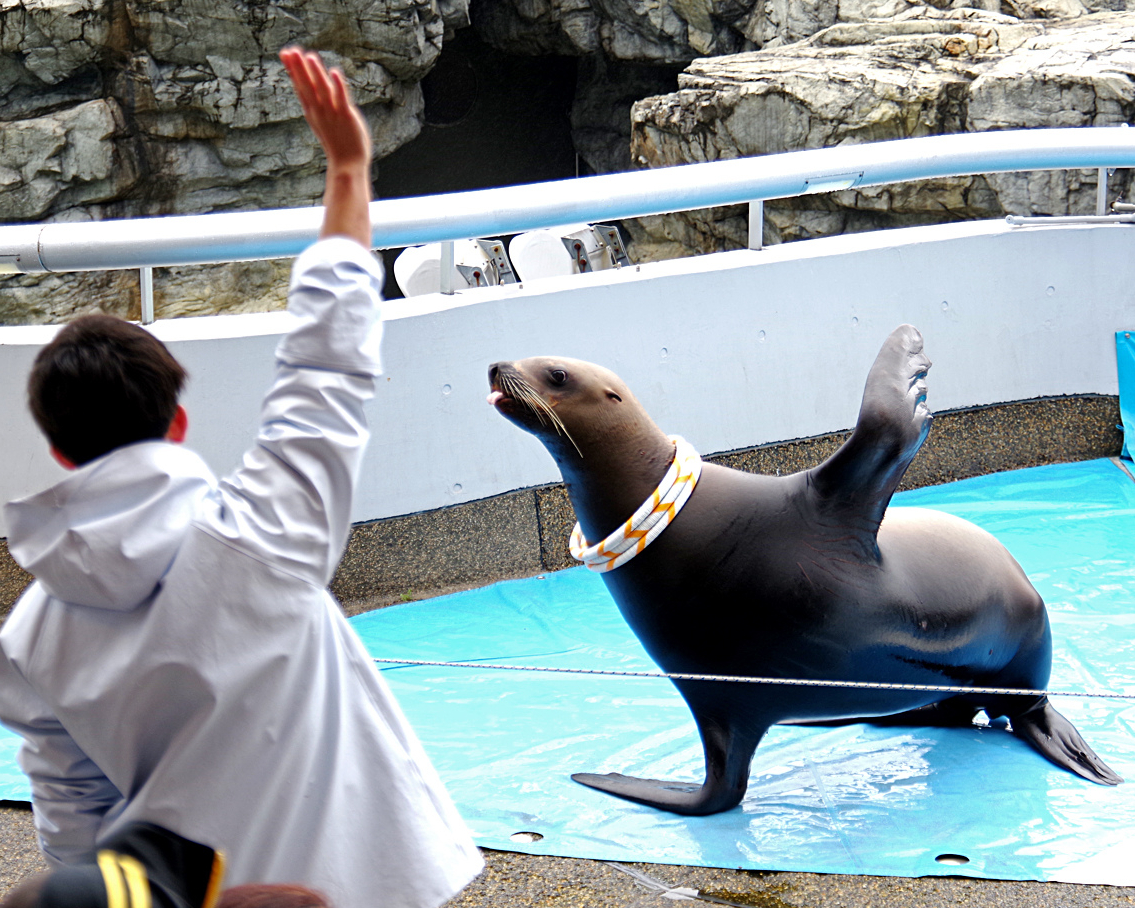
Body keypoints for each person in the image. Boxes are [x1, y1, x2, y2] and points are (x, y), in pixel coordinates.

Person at [0, 47, 483, 908]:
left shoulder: (29, 640)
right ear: (177, 420)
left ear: (60, 450)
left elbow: (71, 812)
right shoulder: (263, 532)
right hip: (369, 885)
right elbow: (325, 362)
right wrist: (347, 168)